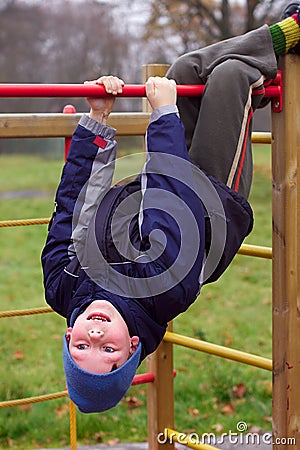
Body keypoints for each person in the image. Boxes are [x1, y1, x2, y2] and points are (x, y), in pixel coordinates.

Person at [41, 4, 300, 414]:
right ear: (132, 346)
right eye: (106, 348)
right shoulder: (162, 294)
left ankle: (279, 41)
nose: (95, 332)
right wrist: (161, 116)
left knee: (182, 72)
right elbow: (169, 201)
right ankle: (284, 41)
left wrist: (96, 118)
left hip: (162, 185)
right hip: (213, 202)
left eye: (82, 344)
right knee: (231, 77)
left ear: (69, 334)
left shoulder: (62, 283)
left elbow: (73, 207)